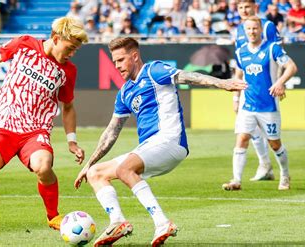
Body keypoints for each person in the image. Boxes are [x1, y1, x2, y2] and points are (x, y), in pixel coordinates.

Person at [73, 37, 247, 247]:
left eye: (120, 60)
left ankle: (162, 223)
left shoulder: (154, 71)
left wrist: (221, 83)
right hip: (150, 147)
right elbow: (111, 132)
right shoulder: (125, 92)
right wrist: (88, 164)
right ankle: (117, 222)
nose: (117, 66)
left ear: (135, 56)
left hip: (170, 140)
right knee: (96, 174)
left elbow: (187, 76)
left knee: (125, 170)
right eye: (114, 61)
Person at [0, 17, 88, 247]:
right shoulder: (24, 43)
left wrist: (72, 140)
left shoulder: (68, 71)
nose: (72, 54)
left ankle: (53, 216)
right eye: (70, 48)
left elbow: (68, 107)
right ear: (56, 39)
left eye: (76, 50)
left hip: (35, 131)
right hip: (4, 124)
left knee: (43, 166)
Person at [222, 16, 297, 191]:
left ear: (260, 30)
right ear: (245, 31)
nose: (252, 32)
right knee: (241, 139)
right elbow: (239, 75)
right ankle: (236, 180)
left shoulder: (272, 48)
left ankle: (285, 175)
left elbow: (292, 67)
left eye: (255, 28)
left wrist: (279, 82)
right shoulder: (241, 52)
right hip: (248, 105)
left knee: (275, 144)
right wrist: (236, 97)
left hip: (268, 106)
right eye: (249, 29)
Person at [232, 0, 282, 182]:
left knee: (266, 132)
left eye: (247, 7)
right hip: (247, 84)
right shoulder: (239, 29)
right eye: (240, 8)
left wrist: (279, 82)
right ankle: (264, 165)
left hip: (267, 84)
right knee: (248, 129)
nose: (244, 10)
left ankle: (268, 165)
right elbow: (240, 63)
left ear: (255, 7)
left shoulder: (267, 26)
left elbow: (278, 54)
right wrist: (236, 95)